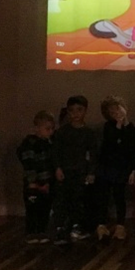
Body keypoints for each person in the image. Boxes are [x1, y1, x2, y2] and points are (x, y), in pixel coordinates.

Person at [53, 95, 98, 244]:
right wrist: (58, 168)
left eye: (79, 110)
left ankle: (76, 226)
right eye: (72, 110)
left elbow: (93, 154)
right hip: (65, 171)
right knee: (62, 200)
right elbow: (56, 152)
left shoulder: (89, 133)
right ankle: (61, 228)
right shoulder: (62, 132)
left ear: (85, 111)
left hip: (80, 172)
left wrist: (91, 172)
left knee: (78, 200)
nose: (75, 114)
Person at [93, 96, 135, 241]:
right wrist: (118, 125)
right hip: (106, 167)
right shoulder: (108, 127)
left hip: (121, 169)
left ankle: (120, 226)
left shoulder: (133, 130)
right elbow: (111, 144)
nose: (116, 113)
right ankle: (101, 226)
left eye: (118, 109)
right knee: (103, 197)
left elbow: (134, 152)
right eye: (112, 112)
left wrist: (133, 170)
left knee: (119, 197)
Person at [17, 111, 56, 244]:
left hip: (47, 182)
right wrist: (32, 182)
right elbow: (29, 165)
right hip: (33, 185)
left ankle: (41, 230)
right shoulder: (29, 144)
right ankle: (31, 232)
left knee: (44, 208)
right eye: (47, 128)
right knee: (32, 209)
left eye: (52, 128)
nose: (50, 131)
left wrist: (49, 182)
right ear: (36, 128)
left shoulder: (49, 144)